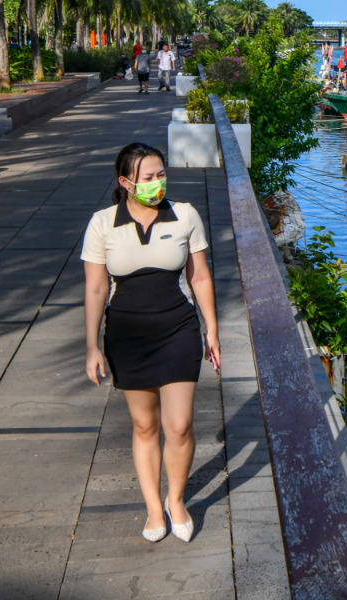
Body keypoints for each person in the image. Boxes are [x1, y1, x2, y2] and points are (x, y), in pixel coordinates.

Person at [82, 144, 220, 543]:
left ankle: (176, 501)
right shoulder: (102, 223)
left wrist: (211, 329)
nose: (158, 183)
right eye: (148, 177)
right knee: (145, 425)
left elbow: (200, 278)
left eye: (162, 174)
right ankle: (153, 509)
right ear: (125, 182)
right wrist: (92, 345)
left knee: (179, 426)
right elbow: (95, 290)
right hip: (127, 334)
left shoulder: (186, 215)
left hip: (177, 329)